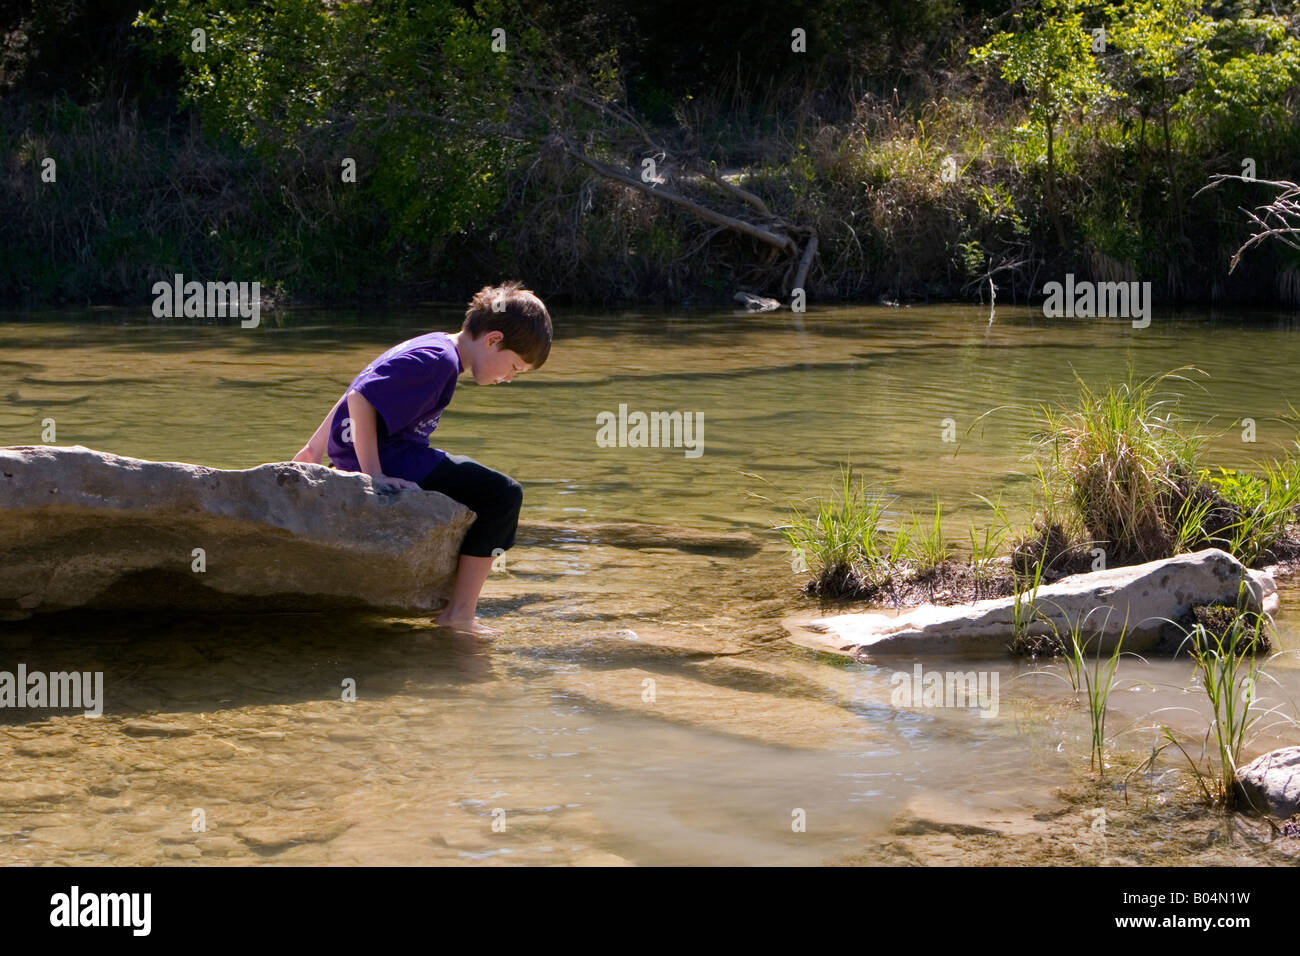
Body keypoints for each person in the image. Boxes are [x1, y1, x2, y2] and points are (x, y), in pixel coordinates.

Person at [292, 281, 552, 635]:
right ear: (493, 340)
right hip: (393, 458)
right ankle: (459, 613)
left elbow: (359, 386)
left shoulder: (432, 346)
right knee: (502, 494)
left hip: (382, 453)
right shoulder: (439, 361)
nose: (508, 379)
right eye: (514, 368)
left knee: (480, 485)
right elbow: (362, 398)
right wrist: (373, 477)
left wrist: (313, 450)